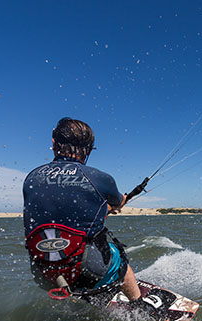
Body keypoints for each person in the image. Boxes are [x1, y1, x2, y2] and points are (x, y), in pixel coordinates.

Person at [23, 117, 142, 303]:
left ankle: (71, 290)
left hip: (43, 274)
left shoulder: (31, 178)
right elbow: (117, 202)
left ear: (54, 143)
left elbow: (61, 214)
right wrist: (121, 201)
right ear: (89, 148)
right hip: (87, 271)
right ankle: (138, 304)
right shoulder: (100, 179)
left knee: (68, 253)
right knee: (120, 259)